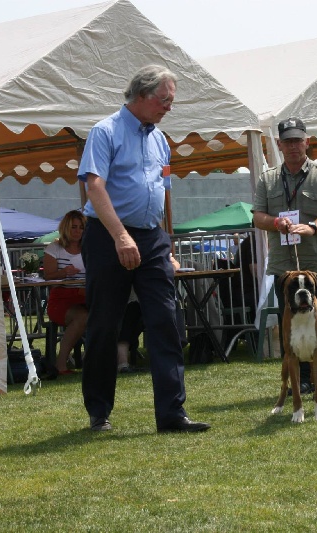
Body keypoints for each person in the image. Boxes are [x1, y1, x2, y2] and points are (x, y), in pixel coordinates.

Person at [77, 65, 210, 432]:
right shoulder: (105, 132)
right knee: (105, 324)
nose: (169, 106)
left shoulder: (161, 141)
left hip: (152, 239)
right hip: (108, 235)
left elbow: (164, 191)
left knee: (166, 321)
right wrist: (121, 236)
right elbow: (95, 187)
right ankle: (99, 412)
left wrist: (165, 243)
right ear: (140, 95)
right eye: (163, 99)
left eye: (171, 100)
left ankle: (172, 414)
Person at [251, 117, 317, 398]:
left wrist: (313, 226)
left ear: (307, 142)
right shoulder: (268, 178)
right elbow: (258, 216)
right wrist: (275, 222)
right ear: (279, 145)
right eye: (288, 141)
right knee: (291, 325)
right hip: (285, 267)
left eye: (298, 140)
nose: (294, 146)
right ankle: (303, 380)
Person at [43, 210, 87, 377]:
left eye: (81, 227)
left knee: (107, 312)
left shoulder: (89, 248)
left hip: (86, 295)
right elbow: (48, 276)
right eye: (74, 227)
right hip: (62, 298)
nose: (77, 231)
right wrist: (64, 272)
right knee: (83, 316)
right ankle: (61, 363)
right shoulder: (54, 248)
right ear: (66, 228)